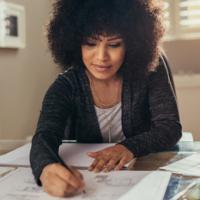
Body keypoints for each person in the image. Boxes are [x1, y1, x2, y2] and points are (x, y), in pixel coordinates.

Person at [30, 0, 182, 197]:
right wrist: (46, 169)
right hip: (94, 183)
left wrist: (128, 148)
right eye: (91, 43)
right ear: (75, 43)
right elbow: (44, 135)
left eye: (114, 44)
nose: (101, 57)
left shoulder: (151, 69)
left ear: (132, 44)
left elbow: (169, 127)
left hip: (146, 175)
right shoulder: (66, 85)